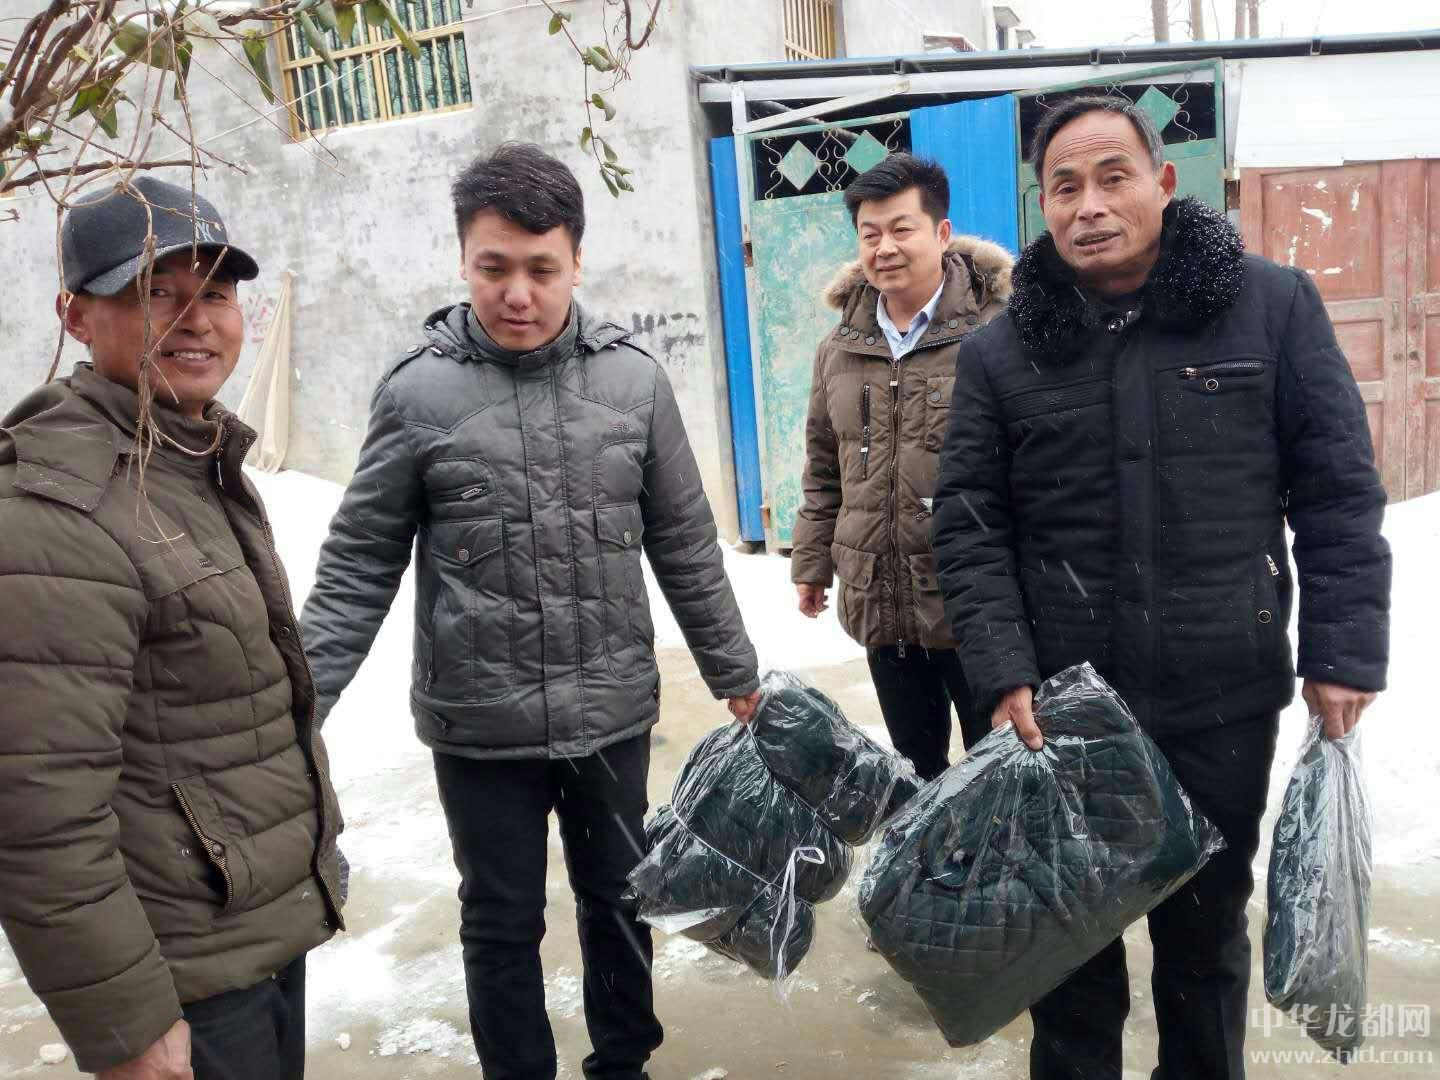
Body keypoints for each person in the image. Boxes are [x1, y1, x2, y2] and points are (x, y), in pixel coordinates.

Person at [933, 95, 1391, 1079]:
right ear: (1042, 204)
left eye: (1114, 178)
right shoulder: (1000, 352)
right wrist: (1004, 670)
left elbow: (1337, 492)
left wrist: (1344, 652)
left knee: (1203, 948)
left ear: (1164, 182)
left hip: (1219, 694)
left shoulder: (1271, 307)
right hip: (1061, 714)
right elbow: (969, 523)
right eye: (1065, 187)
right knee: (1067, 959)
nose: (1090, 205)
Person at [298, 143, 761, 1080]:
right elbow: (358, 563)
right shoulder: (418, 394)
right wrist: (299, 702)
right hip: (479, 725)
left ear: (576, 261)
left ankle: (623, 1063)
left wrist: (736, 675)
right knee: (500, 919)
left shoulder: (633, 384)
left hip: (609, 710)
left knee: (621, 900)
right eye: (494, 268)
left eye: (542, 270)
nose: (518, 294)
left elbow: (684, 543)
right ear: (463, 260)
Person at [0, 176, 344, 1079]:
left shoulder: (186, 459)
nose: (196, 321)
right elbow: (39, 809)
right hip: (181, 973)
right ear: (77, 315)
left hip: (248, 932)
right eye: (156, 292)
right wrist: (129, 1024)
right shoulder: (59, 510)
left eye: (216, 294)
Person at [791, 152, 1012, 781]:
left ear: (941, 233)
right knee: (914, 771)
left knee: (996, 772)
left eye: (901, 229)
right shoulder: (839, 348)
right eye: (870, 234)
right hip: (881, 597)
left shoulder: (995, 335)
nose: (884, 248)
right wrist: (811, 562)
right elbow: (824, 465)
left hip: (972, 602)